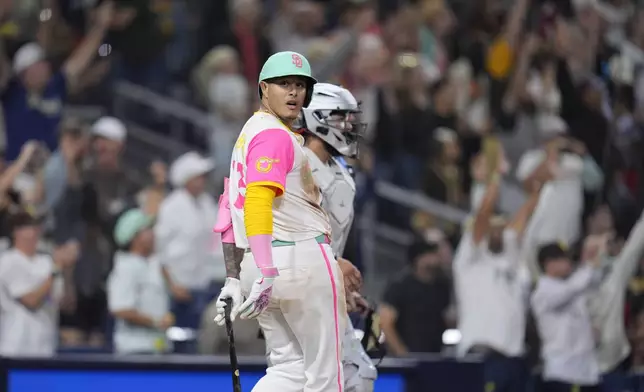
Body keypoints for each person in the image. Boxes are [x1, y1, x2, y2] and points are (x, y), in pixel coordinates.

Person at [213, 51, 346, 392]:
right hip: (297, 259)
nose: (293, 92)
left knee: (288, 369)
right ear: (263, 88)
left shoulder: (247, 135)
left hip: (258, 266)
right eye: (284, 84)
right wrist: (268, 269)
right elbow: (257, 198)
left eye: (300, 85)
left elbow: (227, 208)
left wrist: (233, 276)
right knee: (325, 375)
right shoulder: (274, 135)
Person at [298, 83, 377, 391]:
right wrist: (333, 265)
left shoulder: (339, 170)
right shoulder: (296, 167)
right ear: (318, 118)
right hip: (298, 293)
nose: (349, 126)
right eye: (341, 118)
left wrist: (342, 289)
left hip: (323, 290)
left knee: (357, 376)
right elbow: (290, 234)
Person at [454, 156, 543, 392]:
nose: (497, 230)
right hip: (483, 357)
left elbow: (523, 219)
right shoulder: (469, 259)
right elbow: (483, 213)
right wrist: (496, 178)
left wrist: (537, 191)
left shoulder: (510, 256)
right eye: (492, 227)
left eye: (501, 226)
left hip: (515, 359)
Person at [0, 211, 78, 356]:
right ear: (16, 231)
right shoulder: (8, 261)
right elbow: (31, 301)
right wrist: (57, 269)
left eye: (36, 226)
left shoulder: (47, 262)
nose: (35, 231)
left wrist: (67, 270)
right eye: (28, 226)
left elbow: (67, 305)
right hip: (16, 347)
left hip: (46, 347)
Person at [531, 242, 604, 392]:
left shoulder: (573, 288)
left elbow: (595, 281)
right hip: (562, 371)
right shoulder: (542, 292)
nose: (568, 262)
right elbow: (571, 290)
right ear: (548, 264)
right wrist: (588, 267)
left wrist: (592, 258)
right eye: (563, 259)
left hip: (587, 372)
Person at [107, 208, 174, 354]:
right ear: (134, 237)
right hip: (135, 350)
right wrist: (156, 322)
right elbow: (120, 309)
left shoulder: (152, 263)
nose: (153, 234)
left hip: (158, 347)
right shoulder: (125, 267)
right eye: (147, 230)